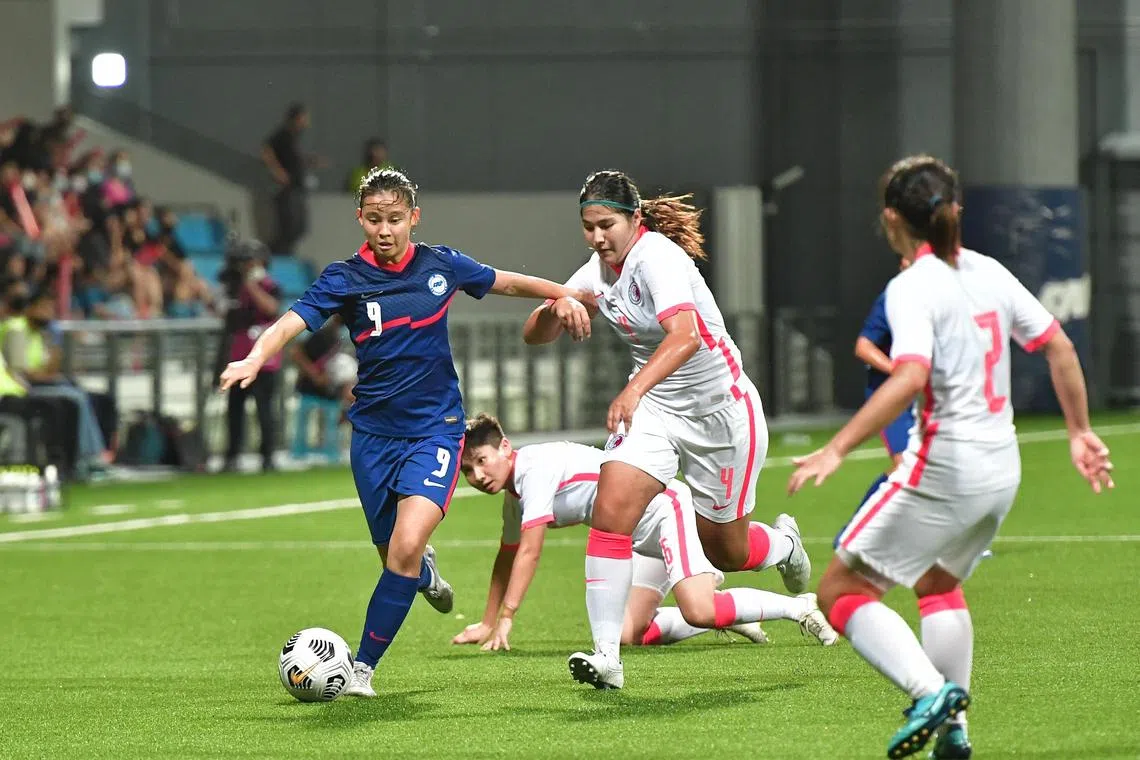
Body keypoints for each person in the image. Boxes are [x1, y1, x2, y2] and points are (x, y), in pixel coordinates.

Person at [219, 167, 594, 699]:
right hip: (372, 437)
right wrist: (255, 356)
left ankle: (361, 670)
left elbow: (505, 280)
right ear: (361, 220)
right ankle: (425, 577)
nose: (385, 229)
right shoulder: (344, 277)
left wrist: (566, 295)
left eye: (395, 219)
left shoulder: (440, 265)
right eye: (374, 219)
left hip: (435, 431)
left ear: (414, 218)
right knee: (396, 557)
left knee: (407, 543)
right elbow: (291, 322)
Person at [787, 155, 1115, 759]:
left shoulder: (912, 286)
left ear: (892, 219)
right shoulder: (990, 271)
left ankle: (928, 692)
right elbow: (1059, 345)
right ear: (955, 210)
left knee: (840, 593)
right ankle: (954, 731)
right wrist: (1079, 432)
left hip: (944, 468)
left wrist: (836, 447)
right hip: (1001, 470)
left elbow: (910, 376)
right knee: (938, 584)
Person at [521, 170, 809, 689]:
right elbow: (533, 337)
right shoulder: (596, 270)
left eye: (606, 225)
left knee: (726, 550)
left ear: (634, 219)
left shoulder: (659, 259)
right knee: (611, 511)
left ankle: (785, 546)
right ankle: (607, 657)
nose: (597, 237)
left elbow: (687, 337)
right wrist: (557, 304)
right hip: (654, 410)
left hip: (720, 413)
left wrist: (631, 390)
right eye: (588, 227)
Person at [450, 414, 837, 662]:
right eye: (468, 470)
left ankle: (797, 605)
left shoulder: (534, 470)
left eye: (481, 461)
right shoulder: (515, 497)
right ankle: (731, 607)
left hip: (666, 511)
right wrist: (486, 623)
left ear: (505, 447)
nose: (478, 476)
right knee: (629, 633)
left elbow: (530, 553)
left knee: (717, 577)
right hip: (636, 539)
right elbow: (508, 556)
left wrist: (507, 619)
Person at [836, 259, 915, 548]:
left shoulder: (934, 298)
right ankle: (855, 530)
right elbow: (864, 347)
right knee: (905, 465)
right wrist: (899, 371)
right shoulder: (892, 298)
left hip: (920, 395)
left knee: (941, 464)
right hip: (889, 394)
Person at [219, 239, 281, 472]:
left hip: (264, 360)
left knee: (264, 410)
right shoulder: (234, 289)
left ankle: (268, 456)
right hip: (238, 357)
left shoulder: (268, 285)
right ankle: (232, 456)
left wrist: (251, 285)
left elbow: (271, 309)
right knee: (235, 411)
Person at [261, 103, 317, 255]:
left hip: (298, 188)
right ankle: (273, 254)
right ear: (295, 119)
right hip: (286, 189)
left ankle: (283, 253)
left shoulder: (294, 138)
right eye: (304, 118)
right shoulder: (283, 135)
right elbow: (267, 151)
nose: (306, 123)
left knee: (300, 227)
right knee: (288, 225)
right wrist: (277, 172)